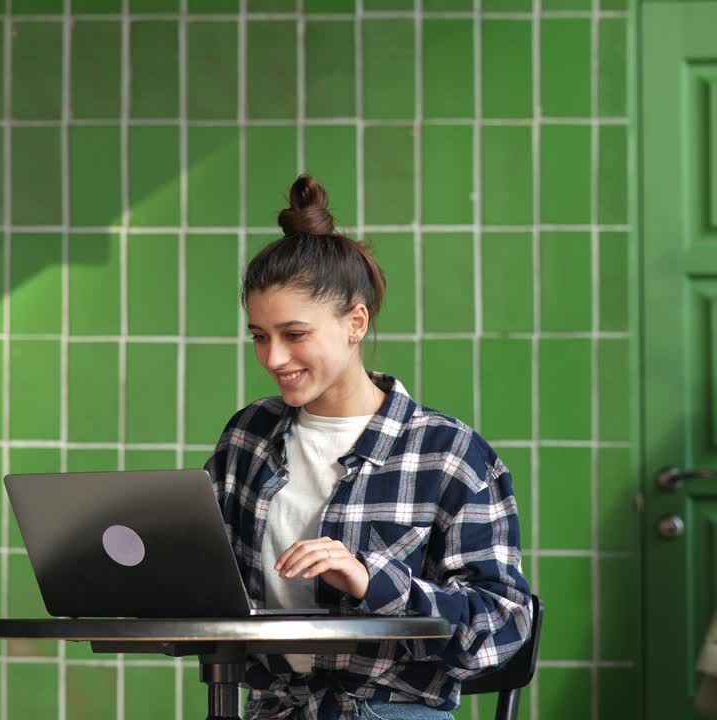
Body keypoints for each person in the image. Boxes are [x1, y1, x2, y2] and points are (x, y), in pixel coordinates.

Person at [204, 175, 533, 720]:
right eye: (260, 336)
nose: (273, 358)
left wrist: (372, 581)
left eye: (295, 334)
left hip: (391, 711)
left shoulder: (447, 453)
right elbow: (209, 579)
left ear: (355, 322)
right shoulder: (248, 438)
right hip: (273, 709)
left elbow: (502, 625)